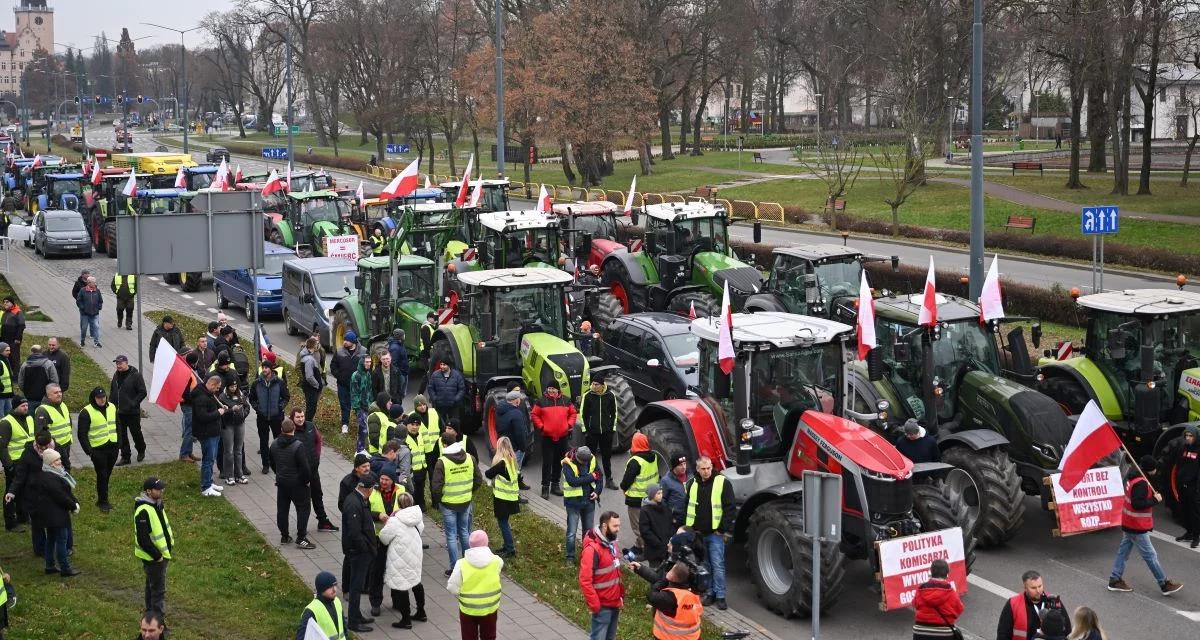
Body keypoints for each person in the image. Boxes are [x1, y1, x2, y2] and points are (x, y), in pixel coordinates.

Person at [1107, 455, 1183, 595]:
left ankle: (1115, 579)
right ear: (1150, 469)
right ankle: (1164, 583)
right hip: (1137, 526)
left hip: (1129, 522)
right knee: (1150, 555)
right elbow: (1138, 504)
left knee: (1123, 552)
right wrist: (1154, 500)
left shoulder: (1132, 476)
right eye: (1154, 469)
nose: (1156, 471)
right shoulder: (1142, 483)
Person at [685, 456, 732, 609]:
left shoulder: (722, 482)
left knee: (718, 564)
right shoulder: (692, 483)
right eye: (703, 469)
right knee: (705, 565)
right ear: (698, 469)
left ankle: (720, 595)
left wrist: (722, 529)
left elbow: (729, 507)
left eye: (709, 468)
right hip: (699, 533)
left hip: (714, 533)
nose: (706, 472)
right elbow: (687, 506)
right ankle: (710, 592)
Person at [433, 431, 483, 572]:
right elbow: (478, 480)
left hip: (448, 504)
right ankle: (469, 564)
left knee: (451, 536)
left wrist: (438, 501)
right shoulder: (470, 458)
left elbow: (436, 487)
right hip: (466, 502)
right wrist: (468, 492)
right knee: (464, 532)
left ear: (443, 443)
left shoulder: (442, 462)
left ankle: (455, 568)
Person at [379, 492, 427, 628]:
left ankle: (406, 619)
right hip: (415, 553)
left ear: (399, 504)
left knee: (402, 586)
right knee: (416, 581)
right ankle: (421, 611)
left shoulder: (395, 520)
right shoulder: (417, 517)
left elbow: (384, 538)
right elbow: (420, 530)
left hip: (399, 556)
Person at [289, 406, 339, 532]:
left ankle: (323, 521)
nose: (300, 419)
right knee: (302, 500)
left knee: (317, 494)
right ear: (292, 418)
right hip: (299, 473)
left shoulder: (310, 426)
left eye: (302, 416)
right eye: (298, 417)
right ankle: (302, 528)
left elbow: (318, 440)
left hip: (313, 469)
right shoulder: (290, 430)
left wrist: (317, 456)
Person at [447, 530, 503, 640]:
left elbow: (452, 587)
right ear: (487, 543)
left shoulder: (461, 563)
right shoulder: (497, 561)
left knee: (469, 636)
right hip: (490, 607)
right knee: (489, 636)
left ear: (470, 544)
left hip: (468, 609)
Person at [340, 471, 378, 633]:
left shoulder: (358, 499)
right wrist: (366, 549)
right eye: (373, 489)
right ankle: (354, 622)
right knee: (356, 587)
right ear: (367, 489)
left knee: (359, 584)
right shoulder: (354, 503)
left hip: (360, 551)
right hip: (358, 552)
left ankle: (357, 615)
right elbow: (355, 533)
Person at [269, 417, 315, 549]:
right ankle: (301, 538)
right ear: (294, 428)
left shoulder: (274, 444)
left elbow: (272, 462)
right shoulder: (298, 446)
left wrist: (279, 474)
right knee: (303, 509)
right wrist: (306, 481)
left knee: (282, 510)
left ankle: (284, 536)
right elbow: (305, 467)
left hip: (282, 483)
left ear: (281, 429)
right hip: (298, 484)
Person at [579, 510, 625, 640]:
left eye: (619, 525)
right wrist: (595, 605)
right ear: (605, 526)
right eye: (615, 526)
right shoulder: (592, 550)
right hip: (602, 605)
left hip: (614, 602)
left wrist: (620, 596)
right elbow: (585, 580)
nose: (618, 529)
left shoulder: (612, 543)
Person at [7, 429, 52, 556]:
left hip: (51, 493)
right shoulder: (28, 454)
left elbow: (64, 466)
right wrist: (11, 492)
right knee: (37, 523)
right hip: (34, 494)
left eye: (45, 447)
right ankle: (40, 549)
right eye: (40, 447)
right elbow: (20, 476)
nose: (42, 450)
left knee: (53, 521)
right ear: (36, 443)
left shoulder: (56, 450)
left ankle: (57, 545)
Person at [37, 448, 79, 577]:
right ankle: (65, 568)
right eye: (57, 460)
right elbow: (60, 495)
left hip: (51, 515)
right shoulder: (51, 477)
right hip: (56, 515)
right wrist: (73, 505)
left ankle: (49, 566)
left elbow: (65, 493)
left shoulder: (51, 474)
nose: (60, 462)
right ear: (50, 463)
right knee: (62, 541)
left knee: (51, 539)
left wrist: (74, 501)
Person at [367, 469, 403, 617]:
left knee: (395, 570)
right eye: (381, 478)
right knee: (377, 571)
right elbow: (365, 510)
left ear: (393, 481)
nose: (383, 482)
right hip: (378, 537)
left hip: (396, 537)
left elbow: (409, 510)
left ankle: (397, 601)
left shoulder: (402, 491)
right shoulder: (373, 491)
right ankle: (375, 602)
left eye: (386, 479)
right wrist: (378, 515)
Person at [532, 382, 575, 499]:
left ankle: (555, 485)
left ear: (558, 390)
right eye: (549, 388)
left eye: (553, 389)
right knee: (547, 463)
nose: (550, 390)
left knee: (559, 462)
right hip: (547, 438)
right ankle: (545, 487)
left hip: (562, 437)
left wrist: (569, 425)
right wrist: (541, 427)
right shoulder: (541, 401)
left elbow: (573, 413)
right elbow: (534, 415)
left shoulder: (566, 400)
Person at [77, 387, 118, 511]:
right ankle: (102, 501)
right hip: (98, 449)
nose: (102, 400)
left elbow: (118, 424)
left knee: (107, 474)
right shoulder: (86, 412)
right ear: (94, 398)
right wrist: (89, 451)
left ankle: (103, 498)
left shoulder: (112, 407)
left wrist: (119, 442)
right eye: (99, 398)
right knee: (102, 474)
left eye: (104, 397)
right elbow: (82, 434)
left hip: (112, 447)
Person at [996, 570, 1068, 640]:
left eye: (1040, 586)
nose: (1038, 591)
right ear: (1025, 588)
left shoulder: (1054, 601)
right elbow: (1003, 633)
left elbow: (1067, 629)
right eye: (1033, 588)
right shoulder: (1013, 603)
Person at [642, 561, 702, 640]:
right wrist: (640, 569)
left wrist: (666, 578)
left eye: (671, 570)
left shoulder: (669, 598)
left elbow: (652, 595)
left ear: (671, 577)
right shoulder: (692, 593)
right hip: (692, 637)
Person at [563, 446, 603, 563]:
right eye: (583, 462)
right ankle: (570, 557)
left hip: (589, 501)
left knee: (588, 532)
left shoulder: (592, 459)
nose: (585, 463)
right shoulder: (567, 463)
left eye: (587, 461)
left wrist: (597, 492)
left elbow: (599, 477)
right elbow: (573, 482)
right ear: (577, 457)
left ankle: (587, 556)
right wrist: (591, 477)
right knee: (571, 533)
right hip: (573, 503)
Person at [250, 360, 289, 474]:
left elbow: (286, 397)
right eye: (263, 367)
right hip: (262, 417)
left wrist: (279, 407)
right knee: (263, 441)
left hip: (276, 417)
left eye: (267, 367)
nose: (264, 369)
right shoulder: (257, 383)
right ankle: (265, 464)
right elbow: (252, 398)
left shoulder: (279, 382)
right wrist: (258, 408)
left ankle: (277, 464)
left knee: (278, 441)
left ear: (271, 369)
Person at [621, 432, 657, 555]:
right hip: (651, 498)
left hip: (636, 500)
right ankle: (638, 546)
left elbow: (626, 481)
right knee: (648, 524)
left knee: (639, 527)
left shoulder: (635, 461)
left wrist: (623, 488)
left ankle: (646, 550)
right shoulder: (654, 457)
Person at [190, 375, 227, 497]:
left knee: (211, 458)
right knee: (208, 459)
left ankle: (209, 482)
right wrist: (218, 413)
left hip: (213, 432)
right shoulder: (201, 397)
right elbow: (203, 417)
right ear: (211, 385)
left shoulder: (207, 393)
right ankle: (206, 487)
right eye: (217, 388)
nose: (218, 390)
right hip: (207, 433)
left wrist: (220, 407)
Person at [579, 376, 618, 488]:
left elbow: (614, 413)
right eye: (593, 384)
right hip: (592, 433)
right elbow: (583, 414)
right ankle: (589, 479)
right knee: (590, 457)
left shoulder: (610, 396)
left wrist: (612, 430)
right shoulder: (588, 396)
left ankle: (609, 480)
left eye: (597, 384)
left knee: (607, 457)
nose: (594, 386)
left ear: (602, 385)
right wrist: (586, 431)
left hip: (606, 433)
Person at [485, 436, 521, 557]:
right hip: (511, 498)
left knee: (503, 524)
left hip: (502, 499)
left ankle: (510, 549)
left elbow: (488, 473)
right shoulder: (512, 460)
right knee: (504, 523)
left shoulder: (502, 463)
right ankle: (506, 546)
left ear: (499, 447)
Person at [911, 558, 964, 640]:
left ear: (931, 572)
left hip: (920, 631)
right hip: (944, 634)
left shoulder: (921, 589)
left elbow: (915, 604)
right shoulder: (950, 592)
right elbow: (959, 609)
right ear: (947, 574)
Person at [0, 396, 31, 531]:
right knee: (11, 492)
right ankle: (10, 523)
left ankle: (23, 516)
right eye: (22, 406)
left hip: (26, 461)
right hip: (14, 462)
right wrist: (9, 465)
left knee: (24, 490)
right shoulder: (6, 422)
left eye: (27, 405)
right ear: (15, 407)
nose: (26, 408)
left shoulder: (29, 418)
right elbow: (2, 447)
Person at [111, 355, 147, 466]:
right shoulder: (116, 375)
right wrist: (111, 406)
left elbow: (142, 392)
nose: (118, 365)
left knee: (136, 433)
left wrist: (133, 403)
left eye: (120, 363)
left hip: (132, 412)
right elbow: (113, 391)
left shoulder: (135, 376)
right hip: (119, 412)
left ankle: (141, 449)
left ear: (126, 363)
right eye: (117, 363)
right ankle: (125, 457)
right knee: (122, 435)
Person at [1167, 425, 1200, 546]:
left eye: (1191, 436)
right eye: (1186, 435)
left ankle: (1196, 536)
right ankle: (1189, 532)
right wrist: (1178, 480)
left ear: (1195, 437)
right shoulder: (1183, 448)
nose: (1188, 438)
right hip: (1182, 485)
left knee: (1194, 512)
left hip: (1193, 487)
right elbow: (1179, 465)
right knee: (1184, 510)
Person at [495, 389, 530, 494]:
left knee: (508, 469)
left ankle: (512, 487)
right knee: (514, 470)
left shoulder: (500, 409)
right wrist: (523, 447)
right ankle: (515, 494)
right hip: (516, 448)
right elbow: (520, 433)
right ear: (516, 400)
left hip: (505, 445)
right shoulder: (516, 414)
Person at [296, 571, 346, 640]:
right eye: (330, 587)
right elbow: (301, 637)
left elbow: (343, 627)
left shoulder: (337, 601)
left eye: (335, 585)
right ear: (321, 589)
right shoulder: (311, 610)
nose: (334, 589)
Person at [331, 331, 364, 435]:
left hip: (357, 386)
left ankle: (361, 424)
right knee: (344, 405)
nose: (344, 342)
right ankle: (345, 424)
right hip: (342, 385)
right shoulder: (339, 351)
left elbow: (368, 366)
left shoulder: (363, 351)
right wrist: (339, 376)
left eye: (347, 340)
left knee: (358, 405)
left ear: (353, 341)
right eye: (344, 340)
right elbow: (333, 366)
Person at [34, 383, 72, 471]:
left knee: (66, 470)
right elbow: (40, 434)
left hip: (66, 445)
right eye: (55, 393)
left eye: (60, 392)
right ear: (48, 396)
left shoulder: (63, 405)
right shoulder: (42, 411)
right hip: (54, 448)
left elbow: (68, 423)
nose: (59, 394)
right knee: (56, 473)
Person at [412, 394, 441, 505]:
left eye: (424, 404)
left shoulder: (434, 413)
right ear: (415, 407)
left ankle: (436, 503)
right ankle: (420, 504)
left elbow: (441, 428)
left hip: (434, 452)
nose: (423, 407)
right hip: (421, 454)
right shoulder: (412, 416)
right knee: (420, 481)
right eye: (420, 405)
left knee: (435, 479)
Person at [219, 382, 250, 486]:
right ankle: (229, 476)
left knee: (238, 450)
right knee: (229, 451)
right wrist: (232, 410)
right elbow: (221, 412)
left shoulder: (240, 395)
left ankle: (239, 474)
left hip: (240, 424)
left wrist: (243, 414)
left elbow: (247, 407)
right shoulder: (222, 397)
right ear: (227, 387)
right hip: (228, 426)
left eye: (235, 386)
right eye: (231, 386)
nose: (234, 388)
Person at [640, 484, 674, 565]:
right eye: (658, 493)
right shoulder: (645, 510)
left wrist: (670, 538)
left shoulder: (664, 506)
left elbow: (670, 523)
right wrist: (659, 543)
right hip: (654, 550)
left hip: (666, 547)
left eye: (661, 493)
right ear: (652, 495)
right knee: (655, 574)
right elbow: (645, 531)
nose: (661, 495)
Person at [17, 345, 57, 410]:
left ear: (31, 352)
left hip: (29, 398)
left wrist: (26, 391)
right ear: (41, 352)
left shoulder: (24, 365)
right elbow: (54, 381)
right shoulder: (49, 364)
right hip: (45, 398)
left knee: (30, 418)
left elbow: (20, 382)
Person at [427, 359, 466, 425]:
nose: (442, 366)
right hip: (440, 405)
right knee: (441, 424)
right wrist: (435, 398)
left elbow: (461, 389)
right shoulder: (435, 375)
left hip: (453, 406)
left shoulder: (457, 375)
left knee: (454, 425)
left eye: (444, 365)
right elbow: (430, 388)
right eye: (441, 364)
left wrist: (456, 399)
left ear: (449, 365)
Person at [351, 355, 376, 451]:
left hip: (368, 406)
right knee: (363, 429)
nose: (369, 364)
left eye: (370, 362)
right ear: (362, 362)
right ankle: (360, 450)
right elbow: (354, 393)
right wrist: (357, 408)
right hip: (360, 407)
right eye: (367, 362)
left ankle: (363, 449)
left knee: (367, 430)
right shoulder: (356, 375)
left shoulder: (368, 374)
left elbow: (369, 391)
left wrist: (371, 404)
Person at [298, 337, 325, 421]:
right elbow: (309, 376)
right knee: (311, 408)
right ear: (313, 346)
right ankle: (306, 425)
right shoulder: (309, 360)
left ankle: (307, 424)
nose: (318, 345)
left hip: (309, 387)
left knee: (311, 407)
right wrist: (317, 385)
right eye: (316, 344)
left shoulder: (307, 356)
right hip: (311, 387)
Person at [75, 276, 103, 348]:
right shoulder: (83, 290)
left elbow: (100, 300)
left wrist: (99, 307)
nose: (95, 284)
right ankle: (82, 341)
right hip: (85, 314)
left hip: (95, 314)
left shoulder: (97, 291)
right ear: (89, 283)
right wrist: (82, 308)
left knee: (96, 327)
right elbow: (78, 300)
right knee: (84, 328)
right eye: (94, 282)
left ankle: (96, 342)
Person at [385, 329, 410, 395]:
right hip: (400, 374)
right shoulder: (395, 348)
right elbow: (393, 363)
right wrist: (399, 374)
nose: (405, 336)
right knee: (399, 394)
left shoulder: (400, 344)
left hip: (404, 373)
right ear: (401, 336)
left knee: (402, 393)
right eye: (404, 335)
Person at [0, 297, 24, 365]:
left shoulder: (18, 312)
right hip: (4, 339)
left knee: (14, 358)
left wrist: (18, 338)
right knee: (4, 356)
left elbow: (21, 326)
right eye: (4, 302)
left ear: (12, 303)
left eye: (7, 302)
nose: (5, 303)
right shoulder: (5, 312)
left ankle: (15, 373)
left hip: (13, 340)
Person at [419, 312, 437, 378]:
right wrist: (430, 354)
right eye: (434, 318)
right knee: (428, 374)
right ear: (429, 318)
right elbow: (426, 342)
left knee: (428, 375)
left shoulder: (431, 327)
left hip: (429, 353)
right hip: (426, 354)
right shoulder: (425, 327)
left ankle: (423, 388)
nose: (435, 319)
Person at [0, 342, 13, 418]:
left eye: (9, 350)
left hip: (7, 394)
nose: (9, 352)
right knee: (1, 416)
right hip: (1, 394)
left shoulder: (5, 360)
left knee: (9, 415)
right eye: (7, 350)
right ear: (1, 351)